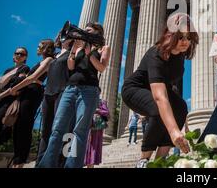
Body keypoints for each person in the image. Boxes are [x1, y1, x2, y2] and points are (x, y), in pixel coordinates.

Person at [122, 13, 198, 168]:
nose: (185, 42)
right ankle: (143, 161)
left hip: (161, 90)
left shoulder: (180, 56)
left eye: (188, 37)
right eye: (181, 37)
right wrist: (174, 131)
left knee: (181, 107)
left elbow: (167, 88)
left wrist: (177, 118)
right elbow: (159, 97)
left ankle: (160, 161)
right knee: (158, 109)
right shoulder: (156, 53)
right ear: (170, 35)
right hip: (135, 89)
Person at [38, 22, 110, 168]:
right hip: (70, 88)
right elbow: (71, 67)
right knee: (57, 129)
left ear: (96, 32)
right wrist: (74, 50)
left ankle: (72, 165)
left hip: (89, 90)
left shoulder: (103, 47)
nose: (83, 32)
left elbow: (101, 68)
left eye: (88, 30)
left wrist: (89, 54)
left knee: (80, 132)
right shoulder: (78, 46)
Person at [9, 40, 56, 167]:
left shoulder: (49, 60)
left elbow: (33, 77)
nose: (37, 47)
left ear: (46, 48)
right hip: (27, 92)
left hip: (33, 94)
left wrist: (14, 88)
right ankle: (16, 161)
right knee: (18, 127)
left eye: (40, 45)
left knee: (24, 126)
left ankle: (20, 162)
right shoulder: (42, 60)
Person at [36, 34, 73, 165]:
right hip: (48, 94)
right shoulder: (54, 56)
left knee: (64, 131)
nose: (64, 37)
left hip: (63, 93)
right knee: (45, 132)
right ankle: (40, 162)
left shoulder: (72, 54)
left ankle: (63, 162)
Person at [0, 47, 30, 145]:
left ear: (25, 57)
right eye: (17, 53)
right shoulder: (8, 70)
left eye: (22, 54)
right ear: (13, 55)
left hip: (8, 100)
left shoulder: (24, 68)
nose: (19, 55)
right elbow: (0, 85)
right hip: (0, 99)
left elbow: (15, 87)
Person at [85, 98, 109, 168]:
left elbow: (107, 112)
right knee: (87, 146)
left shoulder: (101, 101)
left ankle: (90, 165)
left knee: (92, 146)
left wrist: (97, 110)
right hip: (86, 125)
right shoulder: (88, 99)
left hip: (96, 127)